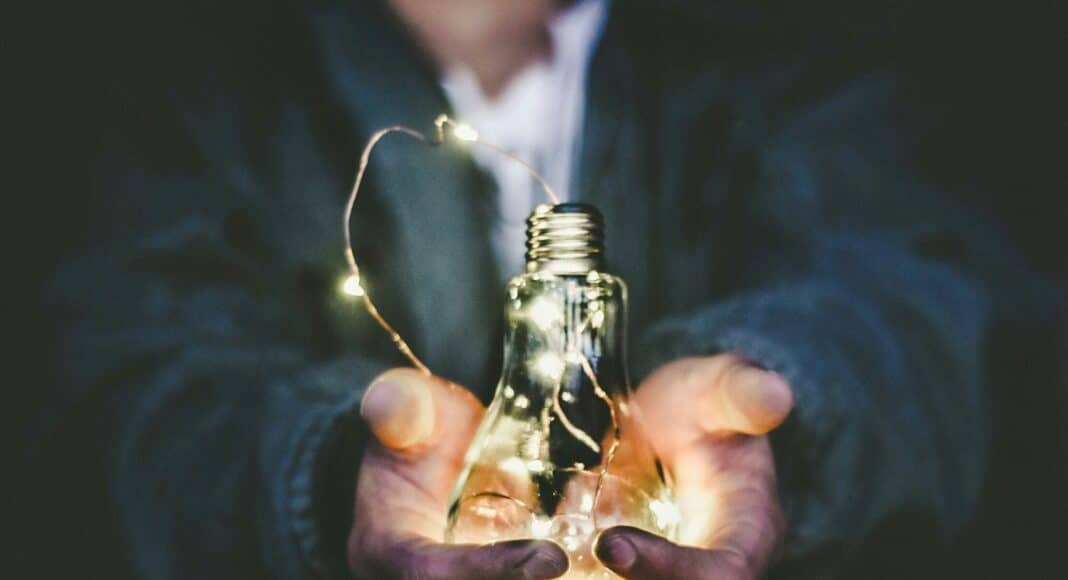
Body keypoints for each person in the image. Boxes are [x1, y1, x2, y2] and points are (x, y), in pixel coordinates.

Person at [28, 0, 1047, 578]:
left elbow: (929, 288)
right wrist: (332, 470)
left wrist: (780, 399)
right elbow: (110, 390)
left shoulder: (780, 54)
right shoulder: (204, 85)